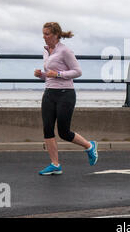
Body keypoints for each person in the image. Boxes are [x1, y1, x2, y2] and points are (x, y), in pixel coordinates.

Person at [34, 22, 98, 175]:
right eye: (43, 34)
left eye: (47, 34)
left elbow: (77, 71)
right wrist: (41, 75)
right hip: (49, 93)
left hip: (65, 94)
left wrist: (58, 74)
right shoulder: (45, 51)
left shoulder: (65, 51)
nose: (44, 37)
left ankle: (89, 146)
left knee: (64, 132)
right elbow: (49, 75)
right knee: (47, 129)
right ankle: (55, 164)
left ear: (56, 35)